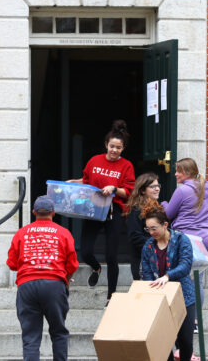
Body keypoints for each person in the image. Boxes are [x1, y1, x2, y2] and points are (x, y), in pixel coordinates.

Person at [69, 119, 135, 304]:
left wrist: (113, 188)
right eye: (112, 146)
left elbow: (128, 192)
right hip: (92, 209)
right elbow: (86, 181)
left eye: (119, 148)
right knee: (86, 250)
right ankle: (96, 268)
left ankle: (111, 296)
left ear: (123, 149)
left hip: (113, 212)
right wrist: (70, 184)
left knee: (112, 255)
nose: (114, 150)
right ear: (106, 145)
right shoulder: (94, 161)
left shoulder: (126, 166)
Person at [7, 195, 79, 361]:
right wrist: (66, 278)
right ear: (53, 213)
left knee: (31, 337)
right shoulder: (63, 233)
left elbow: (12, 263)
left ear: (34, 212)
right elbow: (73, 264)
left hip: (27, 285)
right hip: (54, 285)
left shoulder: (21, 233)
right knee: (59, 332)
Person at [140, 200, 198, 361]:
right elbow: (146, 272)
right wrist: (152, 285)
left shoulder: (181, 240)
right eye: (148, 229)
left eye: (154, 228)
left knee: (185, 341)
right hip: (160, 298)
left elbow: (185, 266)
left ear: (165, 224)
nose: (151, 232)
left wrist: (167, 276)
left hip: (183, 296)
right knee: (163, 342)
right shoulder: (148, 246)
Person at [161, 158, 208, 255]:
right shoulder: (206, 187)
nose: (175, 174)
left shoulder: (182, 190)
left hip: (187, 238)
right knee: (198, 269)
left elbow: (169, 214)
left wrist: (164, 204)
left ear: (187, 173)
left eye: (178, 171)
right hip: (206, 239)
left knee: (183, 269)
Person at [124, 172, 161, 280]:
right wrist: (157, 246)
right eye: (152, 186)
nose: (157, 189)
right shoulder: (135, 210)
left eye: (158, 186)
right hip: (143, 262)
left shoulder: (158, 208)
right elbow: (135, 237)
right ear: (143, 190)